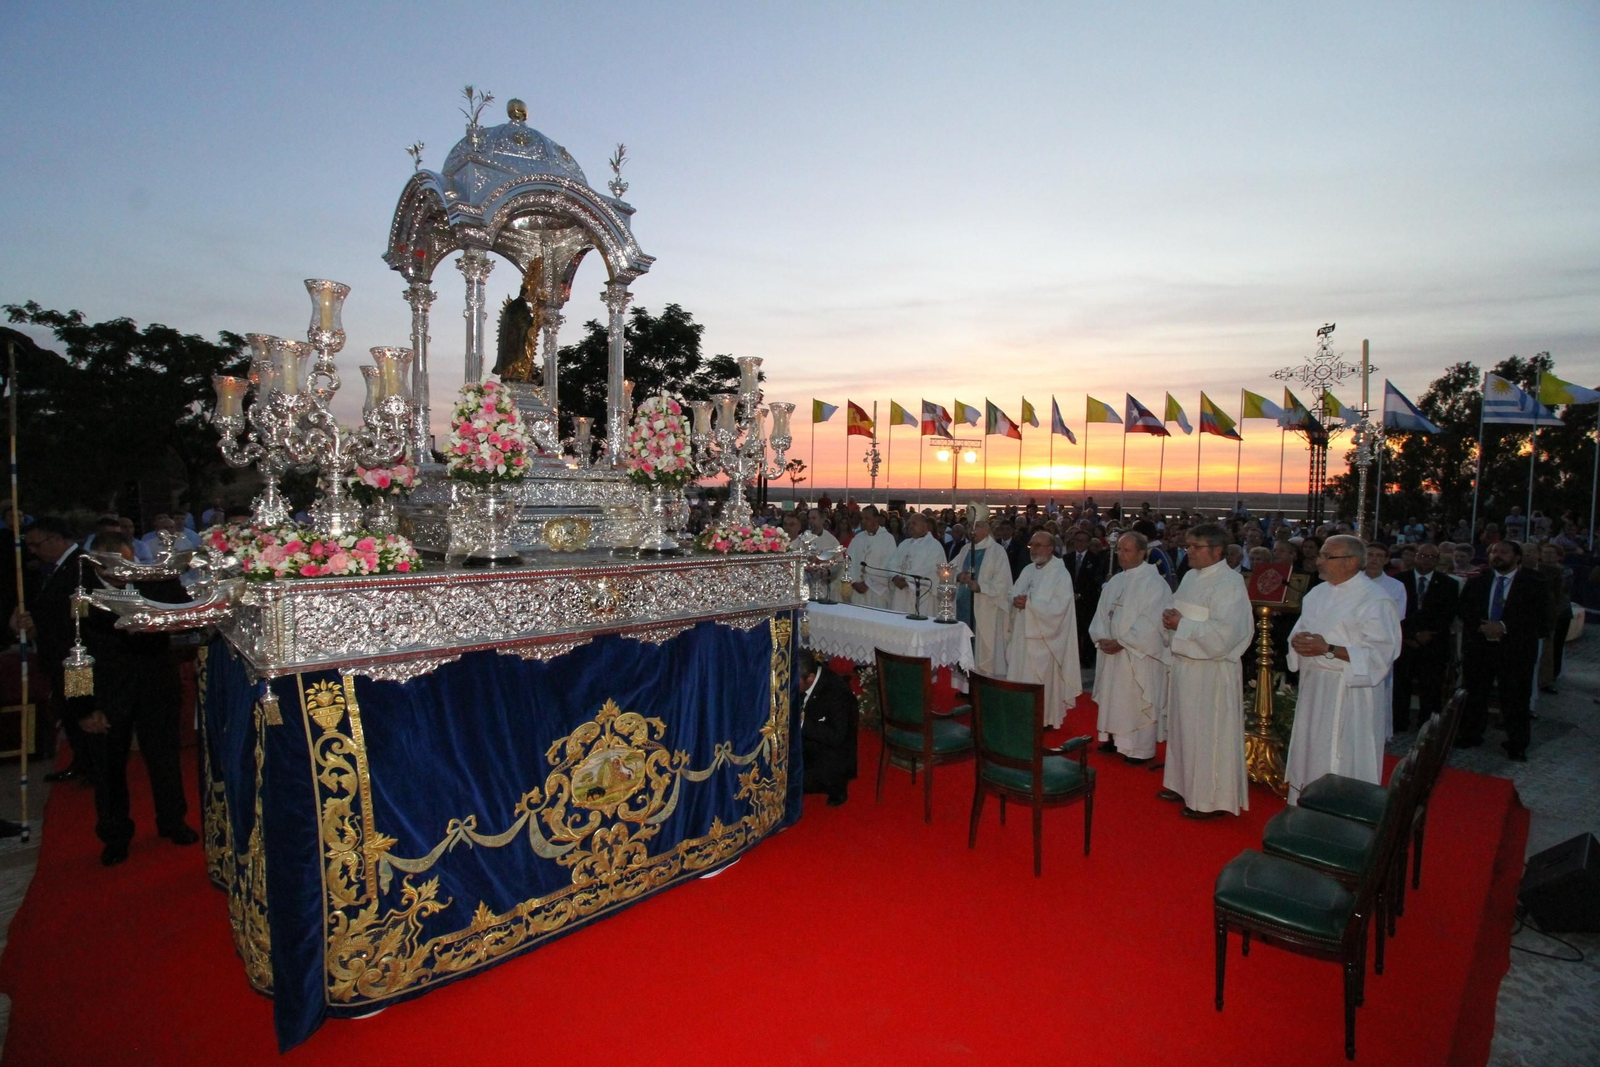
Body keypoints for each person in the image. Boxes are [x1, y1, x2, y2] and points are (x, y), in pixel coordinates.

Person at [73, 532, 199, 864]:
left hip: (156, 686)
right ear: (97, 561)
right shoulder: (79, 595)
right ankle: (115, 835)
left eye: (127, 563)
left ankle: (173, 821)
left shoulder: (153, 583)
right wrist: (84, 708)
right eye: (112, 565)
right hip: (106, 695)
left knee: (165, 758)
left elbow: (186, 612)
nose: (121, 572)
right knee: (109, 768)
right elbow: (71, 656)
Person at [1284, 535, 1403, 804]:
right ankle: (1303, 805)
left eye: (1328, 556)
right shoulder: (1317, 592)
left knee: (1341, 754)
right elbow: (1301, 630)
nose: (1320, 561)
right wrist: (1298, 642)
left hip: (1349, 690)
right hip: (1314, 685)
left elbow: (1382, 653)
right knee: (1310, 748)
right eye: (1321, 555)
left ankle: (1342, 810)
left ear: (1351, 562)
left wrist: (1329, 649)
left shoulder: (1375, 600)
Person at [1159, 522, 1254, 819]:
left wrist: (1181, 624)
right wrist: (1170, 618)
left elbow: (1226, 633)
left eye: (1195, 547)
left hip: (1212, 670)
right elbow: (1181, 614)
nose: (1189, 552)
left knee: (1207, 733)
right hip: (1186, 664)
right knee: (1183, 727)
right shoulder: (1190, 577)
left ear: (1216, 550)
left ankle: (1209, 798)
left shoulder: (1229, 584)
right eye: (1188, 546)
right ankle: (1182, 782)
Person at [10, 518, 95, 781]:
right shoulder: (49, 571)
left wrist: (40, 623)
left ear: (56, 539)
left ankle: (94, 764)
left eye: (37, 544)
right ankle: (82, 760)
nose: (33, 551)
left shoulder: (81, 566)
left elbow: (79, 615)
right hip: (56, 654)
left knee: (83, 709)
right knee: (68, 710)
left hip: (76, 655)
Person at [1456, 540, 1548, 761]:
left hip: (1516, 650)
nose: (1498, 555)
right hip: (1481, 647)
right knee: (1475, 693)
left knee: (1516, 698)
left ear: (1517, 557)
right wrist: (1483, 626)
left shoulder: (1534, 582)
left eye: (1504, 552)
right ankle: (1471, 734)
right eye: (1494, 552)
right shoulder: (1479, 580)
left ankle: (1517, 743)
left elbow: (1540, 616)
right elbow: (1464, 609)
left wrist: (1504, 626)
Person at [1089, 531, 1173, 763]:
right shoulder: (1116, 581)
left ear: (1142, 553)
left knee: (1135, 697)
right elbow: (1102, 614)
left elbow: (1152, 620)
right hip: (1112, 651)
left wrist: (1123, 642)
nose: (1121, 555)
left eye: (1126, 550)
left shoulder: (1155, 584)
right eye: (1119, 550)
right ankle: (1115, 739)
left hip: (1136, 654)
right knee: (1114, 696)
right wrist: (1102, 637)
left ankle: (1139, 749)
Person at [1005, 532, 1081, 729]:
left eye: (1039, 545)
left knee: (1041, 680)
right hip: (1023, 635)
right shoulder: (1028, 570)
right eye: (1032, 545)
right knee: (1020, 676)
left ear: (1050, 548)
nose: (1034, 549)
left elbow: (1060, 607)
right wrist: (1015, 599)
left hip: (1045, 640)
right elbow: (1013, 590)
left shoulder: (1060, 574)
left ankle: (1044, 719)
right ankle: (1020, 715)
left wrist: (1029, 604)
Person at [1392, 543, 1459, 733]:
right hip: (1405, 642)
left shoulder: (1449, 583)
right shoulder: (1399, 581)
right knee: (1401, 686)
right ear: (1415, 557)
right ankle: (1399, 722)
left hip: (1433, 644)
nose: (1426, 560)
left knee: (1431, 688)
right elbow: (1394, 612)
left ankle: (1428, 725)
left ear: (1437, 560)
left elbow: (1448, 614)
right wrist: (1409, 635)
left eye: (1431, 557)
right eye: (1422, 555)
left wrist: (1428, 634)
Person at [798, 651, 856, 806]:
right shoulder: (808, 676)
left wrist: (802, 722)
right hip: (808, 745)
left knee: (791, 779)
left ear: (810, 678)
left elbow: (837, 737)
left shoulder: (837, 693)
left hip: (830, 755)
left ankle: (837, 788)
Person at [959, 519, 1012, 677]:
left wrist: (981, 586)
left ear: (987, 529)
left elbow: (1003, 583)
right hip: (964, 605)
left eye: (976, 527)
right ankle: (966, 687)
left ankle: (983, 684)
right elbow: (952, 568)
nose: (972, 530)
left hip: (986, 608)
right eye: (969, 526)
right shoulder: (965, 549)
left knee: (984, 649)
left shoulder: (997, 551)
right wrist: (958, 576)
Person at [890, 512, 946, 615]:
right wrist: (894, 577)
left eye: (914, 524)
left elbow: (932, 570)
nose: (910, 526)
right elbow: (892, 563)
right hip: (900, 595)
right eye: (909, 524)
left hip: (922, 596)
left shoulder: (934, 546)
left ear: (925, 525)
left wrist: (907, 580)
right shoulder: (904, 544)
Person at [1064, 528, 1105, 669]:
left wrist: (1080, 594)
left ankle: (1087, 659)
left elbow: (1094, 580)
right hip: (1069, 600)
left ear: (1088, 543)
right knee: (1071, 630)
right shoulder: (1066, 559)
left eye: (1083, 541)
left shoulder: (1096, 559)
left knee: (1086, 630)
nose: (1080, 543)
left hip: (1087, 601)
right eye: (1077, 540)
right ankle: (1072, 657)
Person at [845, 506, 896, 608]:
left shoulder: (887, 539)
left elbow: (889, 565)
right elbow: (848, 561)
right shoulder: (858, 538)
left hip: (877, 592)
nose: (863, 521)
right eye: (862, 518)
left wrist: (868, 583)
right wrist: (854, 582)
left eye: (867, 518)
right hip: (857, 590)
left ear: (876, 519)